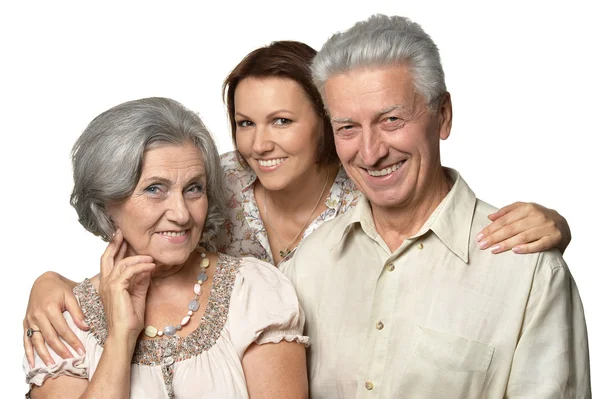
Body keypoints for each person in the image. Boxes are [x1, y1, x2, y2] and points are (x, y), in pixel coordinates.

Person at [24, 41, 572, 366]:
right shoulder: (217, 180)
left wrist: (556, 225)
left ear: (327, 125)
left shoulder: (371, 185)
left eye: (283, 121)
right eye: (245, 123)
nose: (260, 143)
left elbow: (442, 222)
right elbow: (145, 222)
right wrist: (52, 282)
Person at [283, 14, 590, 398]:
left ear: (442, 116)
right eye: (347, 127)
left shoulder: (530, 272)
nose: (370, 152)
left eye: (391, 120)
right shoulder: (307, 266)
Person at [23, 97, 309, 398]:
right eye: (154, 189)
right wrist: (120, 337)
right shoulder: (61, 319)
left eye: (194, 188)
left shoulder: (253, 290)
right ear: (107, 201)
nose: (182, 213)